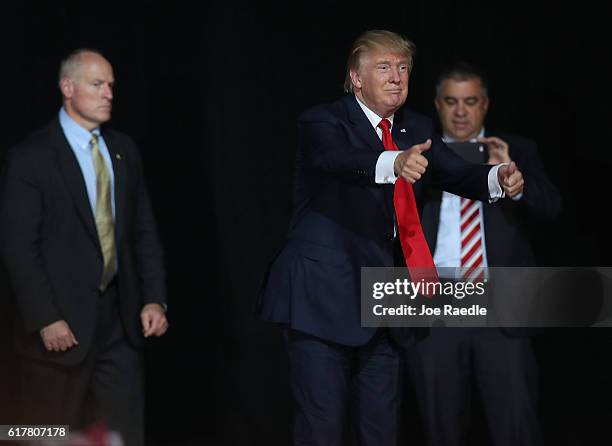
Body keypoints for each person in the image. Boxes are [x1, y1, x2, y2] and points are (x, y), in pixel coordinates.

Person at [258, 31, 525, 445]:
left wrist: (497, 177)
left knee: (381, 432)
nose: (397, 78)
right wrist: (394, 161)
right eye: (384, 67)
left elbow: (456, 172)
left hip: (383, 307)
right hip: (321, 303)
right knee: (322, 430)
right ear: (356, 78)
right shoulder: (323, 121)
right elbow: (339, 160)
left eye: (403, 68)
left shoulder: (416, 127)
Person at [0, 49, 168, 446]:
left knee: (123, 433)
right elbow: (18, 245)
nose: (108, 93)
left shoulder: (123, 149)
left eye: (111, 85)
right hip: (59, 327)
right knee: (46, 433)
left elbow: (143, 231)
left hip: (120, 324)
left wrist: (154, 299)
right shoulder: (31, 157)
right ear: (67, 87)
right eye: (97, 84)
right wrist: (45, 317)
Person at [414, 62, 562, 446]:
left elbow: (552, 208)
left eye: (470, 101)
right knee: (439, 428)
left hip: (503, 311)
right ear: (437, 104)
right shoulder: (417, 155)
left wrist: (514, 184)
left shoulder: (516, 150)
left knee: (516, 426)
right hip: (436, 311)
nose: (461, 111)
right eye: (451, 101)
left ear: (485, 105)